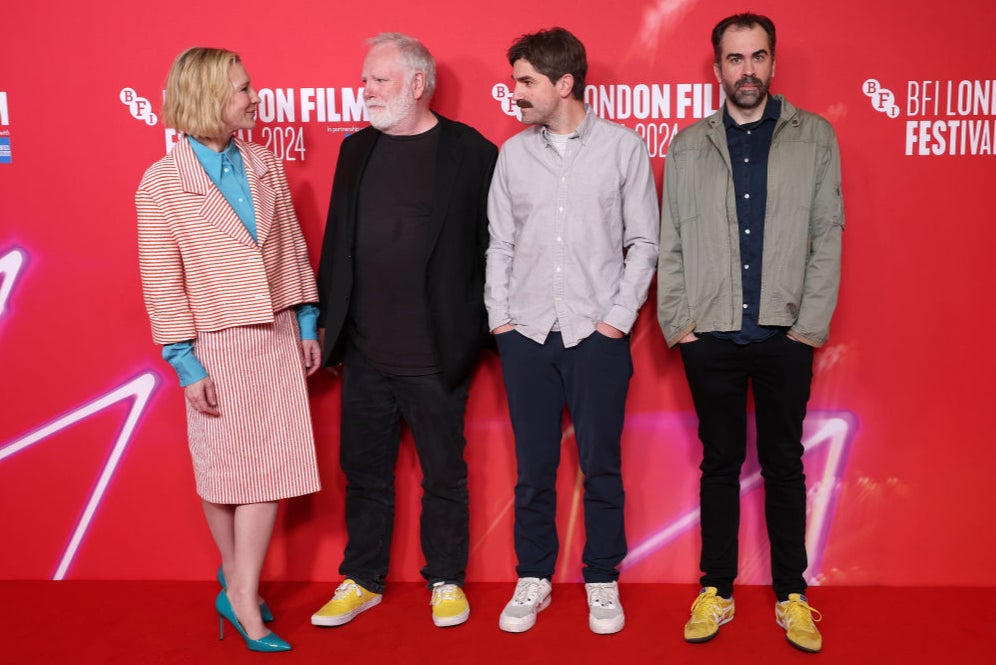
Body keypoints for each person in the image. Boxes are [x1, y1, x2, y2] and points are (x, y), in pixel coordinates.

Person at [657, 13, 844, 654]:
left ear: (772, 62)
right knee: (718, 464)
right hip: (709, 335)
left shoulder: (814, 137)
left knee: (784, 463)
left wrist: (808, 328)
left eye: (758, 57)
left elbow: (828, 237)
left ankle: (792, 594)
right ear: (717, 69)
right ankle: (718, 589)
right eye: (734, 59)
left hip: (783, 334)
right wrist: (679, 324)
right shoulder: (687, 145)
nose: (747, 70)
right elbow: (670, 241)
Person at [137, 48, 322, 652]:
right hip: (215, 342)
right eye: (243, 89)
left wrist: (308, 321)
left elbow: (292, 247)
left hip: (275, 334)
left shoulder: (264, 163)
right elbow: (162, 281)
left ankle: (239, 589)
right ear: (211, 98)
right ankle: (242, 590)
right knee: (223, 473)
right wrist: (185, 364)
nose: (254, 97)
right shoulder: (162, 183)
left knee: (268, 471)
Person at [311, 32, 497, 629]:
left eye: (377, 80)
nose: (364, 90)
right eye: (365, 78)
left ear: (417, 84)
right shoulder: (355, 151)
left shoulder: (472, 152)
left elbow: (494, 248)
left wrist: (478, 332)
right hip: (365, 352)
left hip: (438, 353)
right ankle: (362, 578)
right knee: (363, 474)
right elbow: (336, 244)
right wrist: (322, 326)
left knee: (445, 474)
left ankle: (445, 579)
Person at [486, 27, 659, 635]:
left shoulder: (622, 149)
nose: (516, 94)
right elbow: (500, 244)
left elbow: (644, 243)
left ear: (565, 84)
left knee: (601, 465)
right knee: (533, 468)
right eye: (514, 82)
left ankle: (602, 578)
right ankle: (533, 575)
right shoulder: (512, 154)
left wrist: (616, 320)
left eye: (526, 82)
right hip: (526, 334)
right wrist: (500, 319)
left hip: (595, 334)